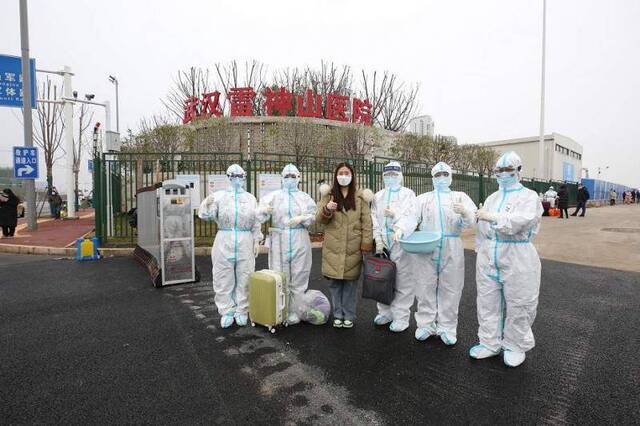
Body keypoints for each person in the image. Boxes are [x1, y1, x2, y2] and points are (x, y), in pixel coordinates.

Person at [471, 151, 543, 368]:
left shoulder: (529, 197)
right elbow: (482, 228)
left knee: (519, 301)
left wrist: (493, 217)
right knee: (487, 301)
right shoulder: (493, 198)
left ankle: (515, 345)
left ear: (518, 171)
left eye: (508, 170)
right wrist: (481, 243)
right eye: (499, 170)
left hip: (517, 255)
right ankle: (490, 342)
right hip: (489, 254)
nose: (503, 174)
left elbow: (521, 221)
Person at [413, 162, 477, 344]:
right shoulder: (423, 199)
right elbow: (411, 217)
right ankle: (426, 325)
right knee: (425, 285)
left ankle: (447, 328)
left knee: (451, 287)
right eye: (437, 175)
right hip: (428, 244)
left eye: (444, 174)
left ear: (450, 176)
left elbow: (472, 221)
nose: (441, 178)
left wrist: (465, 213)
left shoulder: (460, 197)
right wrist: (402, 228)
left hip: (452, 244)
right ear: (432, 178)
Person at [198, 164, 263, 329]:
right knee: (222, 275)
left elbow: (256, 221)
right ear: (227, 177)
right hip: (224, 239)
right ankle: (226, 310)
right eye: (233, 175)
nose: (237, 178)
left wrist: (256, 239)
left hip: (245, 239)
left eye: (240, 175)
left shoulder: (250, 198)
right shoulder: (219, 196)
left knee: (245, 275)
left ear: (244, 177)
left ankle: (242, 310)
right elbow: (205, 215)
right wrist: (207, 205)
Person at [257, 164, 317, 325]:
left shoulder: (305, 197)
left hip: (299, 237)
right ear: (281, 178)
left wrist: (302, 219)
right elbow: (259, 215)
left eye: (293, 176)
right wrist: (265, 210)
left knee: (299, 274)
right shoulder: (273, 196)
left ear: (299, 178)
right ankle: (280, 309)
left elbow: (313, 216)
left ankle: (296, 310)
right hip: (279, 237)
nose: (290, 179)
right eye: (287, 176)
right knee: (280, 274)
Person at [316, 162, 373, 329]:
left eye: (346, 172)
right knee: (334, 284)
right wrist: (327, 209)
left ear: (352, 175)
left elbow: (367, 222)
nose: (343, 176)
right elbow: (319, 219)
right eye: (340, 173)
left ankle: (349, 315)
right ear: (336, 176)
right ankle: (338, 314)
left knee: (349, 284)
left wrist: (366, 244)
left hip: (353, 247)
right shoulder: (328, 195)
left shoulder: (360, 197)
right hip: (333, 247)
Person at [370, 161, 419, 333]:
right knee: (382, 279)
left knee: (403, 280)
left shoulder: (408, 194)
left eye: (394, 175)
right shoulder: (378, 196)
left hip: (401, 242)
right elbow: (374, 218)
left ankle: (401, 317)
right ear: (383, 177)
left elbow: (412, 216)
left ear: (400, 176)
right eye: (387, 175)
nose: (391, 178)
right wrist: (378, 239)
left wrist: (399, 226)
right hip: (384, 243)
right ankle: (385, 312)